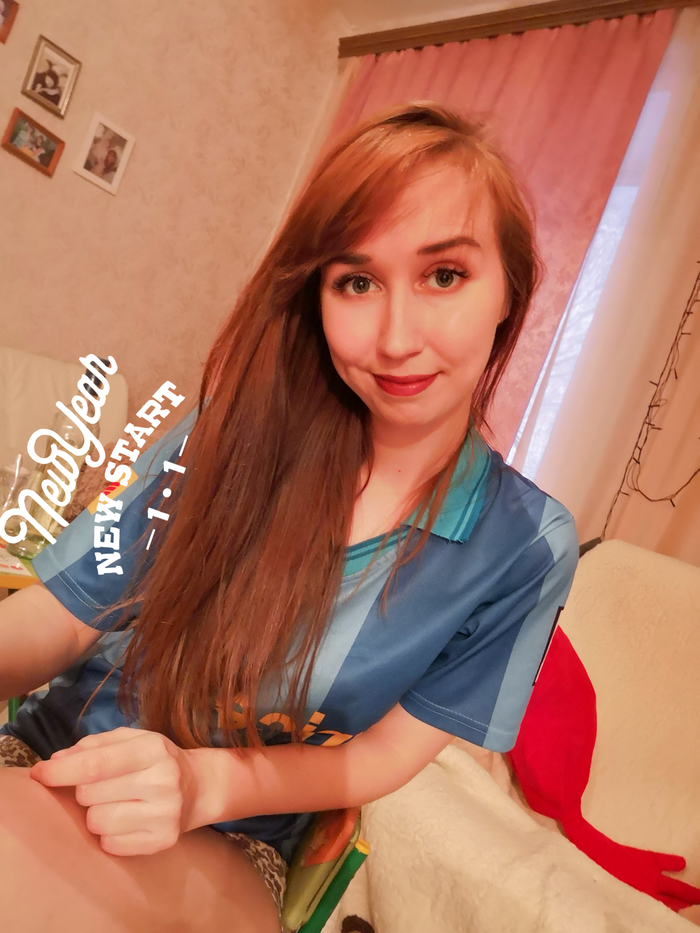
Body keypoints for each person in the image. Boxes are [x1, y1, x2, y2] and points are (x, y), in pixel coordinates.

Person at [0, 103, 578, 932]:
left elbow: (380, 756)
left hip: (234, 836)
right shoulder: (222, 436)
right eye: (357, 282)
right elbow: (63, 616)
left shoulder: (524, 546)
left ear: (510, 290)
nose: (396, 338)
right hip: (55, 758)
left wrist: (201, 784)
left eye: (444, 275)